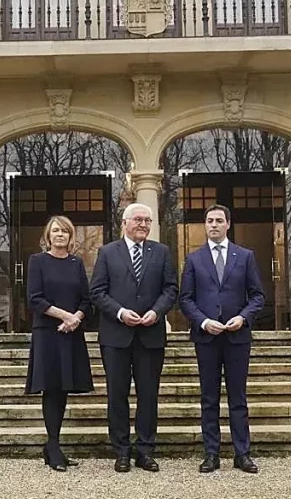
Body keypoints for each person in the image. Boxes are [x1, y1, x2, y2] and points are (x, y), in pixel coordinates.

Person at [89, 202, 178, 473]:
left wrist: (156, 312)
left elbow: (171, 288)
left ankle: (145, 450)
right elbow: (98, 292)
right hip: (116, 336)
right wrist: (120, 313)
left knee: (148, 395)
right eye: (138, 219)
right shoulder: (107, 252)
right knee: (117, 395)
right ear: (124, 223)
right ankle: (122, 451)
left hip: (150, 334)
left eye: (147, 220)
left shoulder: (161, 252)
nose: (143, 224)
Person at [178, 205, 265, 474]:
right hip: (206, 337)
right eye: (209, 221)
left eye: (219, 220)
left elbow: (257, 296)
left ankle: (242, 454)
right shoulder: (194, 259)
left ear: (228, 224)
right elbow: (186, 299)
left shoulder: (245, 256)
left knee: (237, 397)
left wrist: (243, 317)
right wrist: (203, 321)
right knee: (209, 397)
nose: (214, 225)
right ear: (204, 225)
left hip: (237, 336)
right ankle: (211, 454)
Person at [25, 216, 94, 472]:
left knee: (63, 389)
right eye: (55, 230)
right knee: (51, 388)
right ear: (48, 235)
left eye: (65, 231)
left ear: (70, 235)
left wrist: (75, 318)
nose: (60, 235)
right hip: (48, 332)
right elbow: (34, 298)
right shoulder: (37, 261)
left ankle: (53, 444)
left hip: (71, 333)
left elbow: (86, 300)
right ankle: (53, 446)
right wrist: (64, 315)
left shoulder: (77, 263)